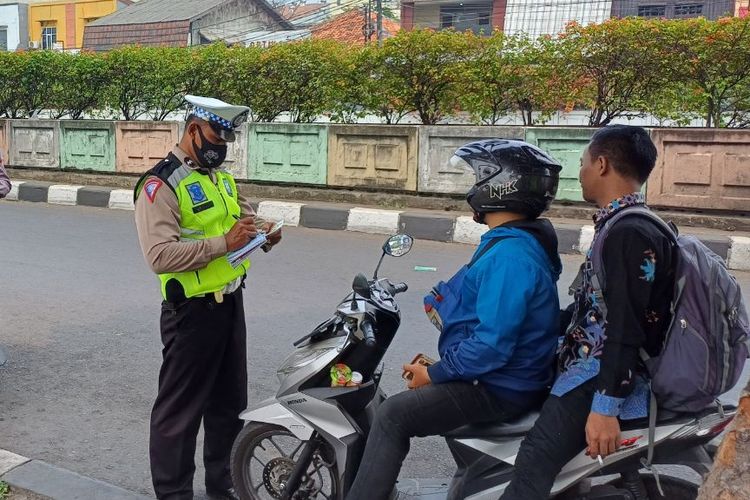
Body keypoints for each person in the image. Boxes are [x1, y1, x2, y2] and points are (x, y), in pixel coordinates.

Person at [345, 139, 563, 500]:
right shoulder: (516, 242)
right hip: (506, 375)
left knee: (392, 415)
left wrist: (436, 374)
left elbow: (492, 345)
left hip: (501, 387)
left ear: (499, 185)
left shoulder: (509, 257)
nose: (471, 188)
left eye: (477, 178)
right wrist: (444, 368)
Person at [500, 125, 674, 500]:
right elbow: (595, 310)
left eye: (581, 164)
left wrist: (605, 408)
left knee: (534, 460)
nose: (579, 173)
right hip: (589, 364)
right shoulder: (623, 223)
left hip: (600, 373)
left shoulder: (630, 233)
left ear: (601, 164)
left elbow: (626, 326)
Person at [134, 95, 282, 500]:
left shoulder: (220, 178)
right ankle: (174, 493)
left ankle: (224, 486)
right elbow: (159, 255)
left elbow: (240, 222)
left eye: (228, 137)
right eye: (218, 134)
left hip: (231, 305)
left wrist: (263, 233)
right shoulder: (160, 184)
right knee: (179, 414)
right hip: (191, 314)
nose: (223, 144)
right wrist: (223, 242)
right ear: (193, 129)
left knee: (229, 406)